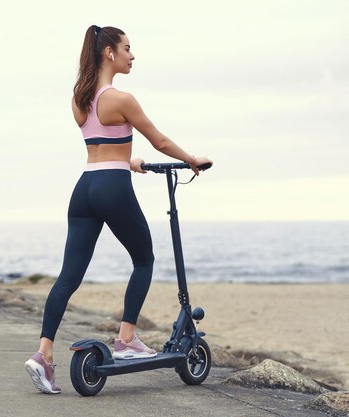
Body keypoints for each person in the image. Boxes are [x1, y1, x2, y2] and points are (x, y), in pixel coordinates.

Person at [24, 25, 212, 395]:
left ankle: (43, 355)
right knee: (144, 259)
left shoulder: (80, 99)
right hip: (112, 187)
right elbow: (158, 139)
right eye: (127, 48)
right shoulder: (121, 98)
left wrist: (129, 162)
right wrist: (191, 160)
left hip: (85, 188)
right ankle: (126, 339)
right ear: (109, 52)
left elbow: (100, 148)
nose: (132, 54)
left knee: (68, 277)